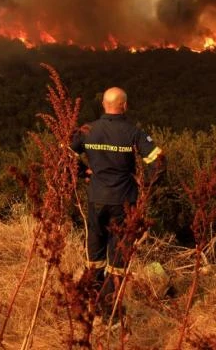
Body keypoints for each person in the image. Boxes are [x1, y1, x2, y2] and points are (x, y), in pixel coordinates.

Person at [71, 86, 165, 315]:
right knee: (118, 258)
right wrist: (147, 189)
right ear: (124, 106)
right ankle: (108, 312)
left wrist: (83, 172)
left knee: (94, 256)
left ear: (104, 105)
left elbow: (64, 156)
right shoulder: (134, 133)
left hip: (96, 201)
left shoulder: (86, 131)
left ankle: (85, 306)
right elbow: (159, 162)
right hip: (124, 203)